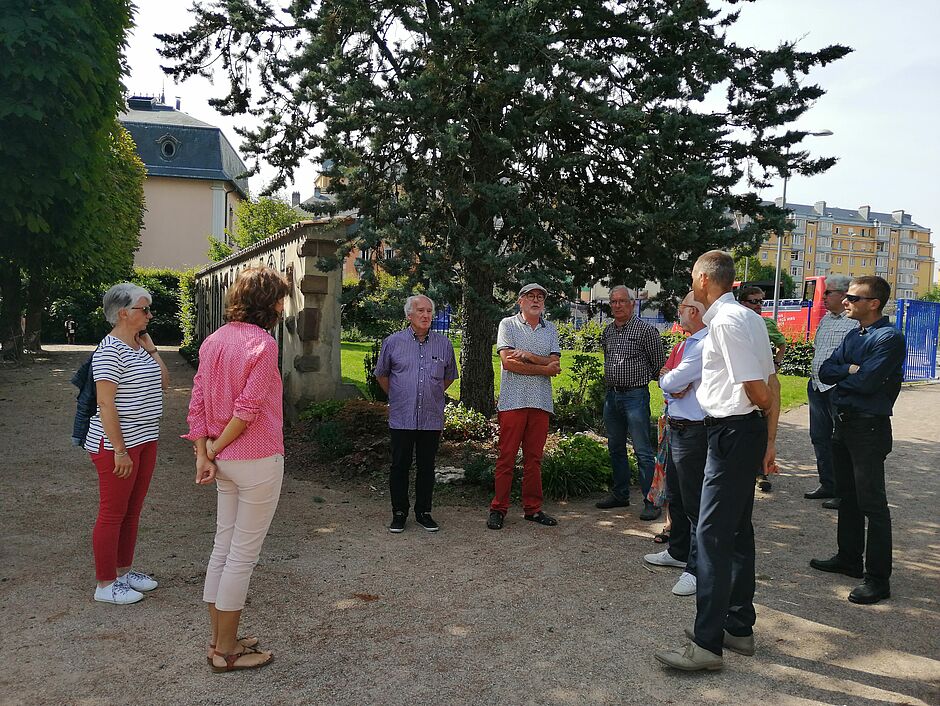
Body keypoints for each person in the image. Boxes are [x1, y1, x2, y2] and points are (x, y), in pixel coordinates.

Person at [655, 250, 779, 672]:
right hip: (740, 433)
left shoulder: (726, 322)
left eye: (693, 276)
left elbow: (757, 388)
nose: (692, 284)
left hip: (730, 431)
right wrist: (766, 436)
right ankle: (738, 626)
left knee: (710, 538)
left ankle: (707, 644)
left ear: (705, 279)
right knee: (738, 530)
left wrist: (757, 419)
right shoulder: (748, 318)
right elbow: (773, 381)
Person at [183, 265, 291, 672]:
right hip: (256, 459)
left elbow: (196, 402)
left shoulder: (213, 340)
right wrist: (215, 447)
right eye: (280, 297)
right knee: (241, 556)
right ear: (270, 303)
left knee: (223, 549)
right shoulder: (262, 344)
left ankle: (219, 641)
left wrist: (204, 452)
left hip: (224, 462)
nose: (283, 304)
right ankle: (226, 652)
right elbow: (248, 410)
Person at [811, 276, 904, 605]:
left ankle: (878, 579)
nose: (845, 301)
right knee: (847, 496)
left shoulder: (889, 338)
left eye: (854, 297)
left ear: (874, 303)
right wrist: (849, 370)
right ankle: (848, 558)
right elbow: (825, 371)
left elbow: (866, 383)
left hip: (869, 428)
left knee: (872, 503)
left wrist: (847, 373)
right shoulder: (854, 334)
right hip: (845, 424)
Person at [85, 283, 168, 605]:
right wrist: (119, 450)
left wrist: (150, 349)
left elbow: (163, 380)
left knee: (132, 511)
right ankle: (105, 584)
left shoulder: (135, 345)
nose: (149, 314)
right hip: (117, 445)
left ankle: (122, 572)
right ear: (123, 314)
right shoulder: (109, 351)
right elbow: (106, 405)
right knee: (112, 513)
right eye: (143, 309)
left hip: (145, 439)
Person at [375, 294, 458, 533]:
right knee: (399, 465)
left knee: (427, 466)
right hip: (402, 416)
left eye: (429, 311)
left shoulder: (443, 344)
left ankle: (424, 512)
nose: (426, 315)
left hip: (431, 417)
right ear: (409, 315)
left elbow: (449, 375)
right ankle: (399, 513)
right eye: (420, 311)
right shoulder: (393, 342)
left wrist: (431, 393)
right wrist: (399, 395)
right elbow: (382, 374)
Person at [644, 292, 708, 598]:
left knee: (695, 504)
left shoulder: (704, 343)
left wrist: (673, 381)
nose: (677, 314)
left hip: (697, 430)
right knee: (679, 497)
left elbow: (672, 382)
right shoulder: (687, 342)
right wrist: (672, 382)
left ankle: (696, 569)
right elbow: (667, 383)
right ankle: (679, 550)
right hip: (679, 428)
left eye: (681, 309)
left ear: (694, 312)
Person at [487, 283, 561, 530]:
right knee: (506, 457)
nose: (536, 300)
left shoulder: (550, 329)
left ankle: (533, 509)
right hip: (513, 401)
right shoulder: (507, 325)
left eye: (540, 296)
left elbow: (556, 365)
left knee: (534, 459)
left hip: (540, 402)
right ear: (520, 301)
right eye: (530, 296)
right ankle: (498, 508)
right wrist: (543, 367)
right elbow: (508, 363)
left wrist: (527, 356)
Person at [596, 286, 667, 520]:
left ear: (632, 304)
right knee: (615, 448)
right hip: (612, 396)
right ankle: (620, 494)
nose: (617, 305)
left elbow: (658, 366)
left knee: (643, 452)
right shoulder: (608, 331)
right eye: (613, 302)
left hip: (635, 396)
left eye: (622, 301)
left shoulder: (646, 331)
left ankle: (651, 500)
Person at [803, 276, 857, 509]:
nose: (823, 297)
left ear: (844, 295)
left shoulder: (854, 323)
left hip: (837, 388)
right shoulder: (825, 319)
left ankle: (843, 491)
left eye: (828, 293)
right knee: (819, 437)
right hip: (817, 386)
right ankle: (827, 483)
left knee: (840, 440)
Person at [738, 286, 786, 492]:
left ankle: (762, 473)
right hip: (744, 380)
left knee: (765, 424)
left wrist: (776, 364)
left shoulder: (767, 324)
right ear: (742, 302)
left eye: (761, 302)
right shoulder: (737, 322)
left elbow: (781, 344)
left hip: (765, 379)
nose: (758, 306)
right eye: (753, 301)